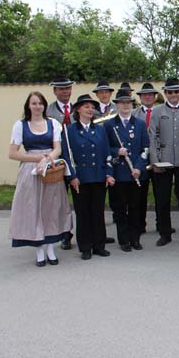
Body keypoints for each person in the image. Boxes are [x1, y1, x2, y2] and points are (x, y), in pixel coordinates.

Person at [9, 91, 72, 266]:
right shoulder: (20, 125)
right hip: (30, 171)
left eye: (40, 103)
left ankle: (50, 247)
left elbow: (57, 149)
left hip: (50, 168)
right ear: (28, 106)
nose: (38, 106)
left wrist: (46, 159)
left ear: (45, 106)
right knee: (33, 208)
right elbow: (13, 154)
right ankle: (39, 250)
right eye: (34, 103)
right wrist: (36, 159)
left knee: (51, 209)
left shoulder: (53, 123)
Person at [62, 94, 115, 260]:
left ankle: (99, 245)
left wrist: (109, 173)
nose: (90, 109)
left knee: (98, 212)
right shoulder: (69, 130)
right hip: (80, 179)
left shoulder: (100, 129)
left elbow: (106, 153)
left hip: (98, 176)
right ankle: (85, 247)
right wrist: (71, 177)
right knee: (83, 213)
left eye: (92, 107)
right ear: (78, 109)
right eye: (86, 106)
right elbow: (66, 156)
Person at [148, 78, 179, 247]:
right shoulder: (157, 112)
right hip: (163, 161)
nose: (174, 95)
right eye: (170, 92)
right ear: (166, 93)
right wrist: (154, 161)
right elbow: (152, 137)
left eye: (176, 91)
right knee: (163, 199)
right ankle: (165, 233)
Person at [104, 89, 148, 252]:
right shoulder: (109, 125)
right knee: (120, 209)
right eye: (122, 103)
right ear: (116, 105)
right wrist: (117, 151)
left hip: (135, 173)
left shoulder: (140, 124)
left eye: (128, 102)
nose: (125, 105)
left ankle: (135, 239)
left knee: (136, 208)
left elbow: (146, 149)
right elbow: (105, 147)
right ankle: (124, 240)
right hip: (119, 174)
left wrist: (138, 168)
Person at [45, 77, 76, 250]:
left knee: (81, 201)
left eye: (67, 88)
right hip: (57, 163)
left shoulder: (78, 109)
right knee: (60, 202)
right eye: (61, 89)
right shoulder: (48, 111)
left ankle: (87, 234)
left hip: (77, 162)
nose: (65, 92)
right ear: (55, 91)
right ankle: (65, 235)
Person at [132, 82, 164, 234]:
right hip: (142, 158)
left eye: (150, 94)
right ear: (140, 98)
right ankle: (139, 225)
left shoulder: (161, 111)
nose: (147, 97)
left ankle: (161, 224)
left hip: (159, 157)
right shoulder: (134, 114)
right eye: (144, 95)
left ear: (155, 96)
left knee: (160, 193)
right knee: (140, 194)